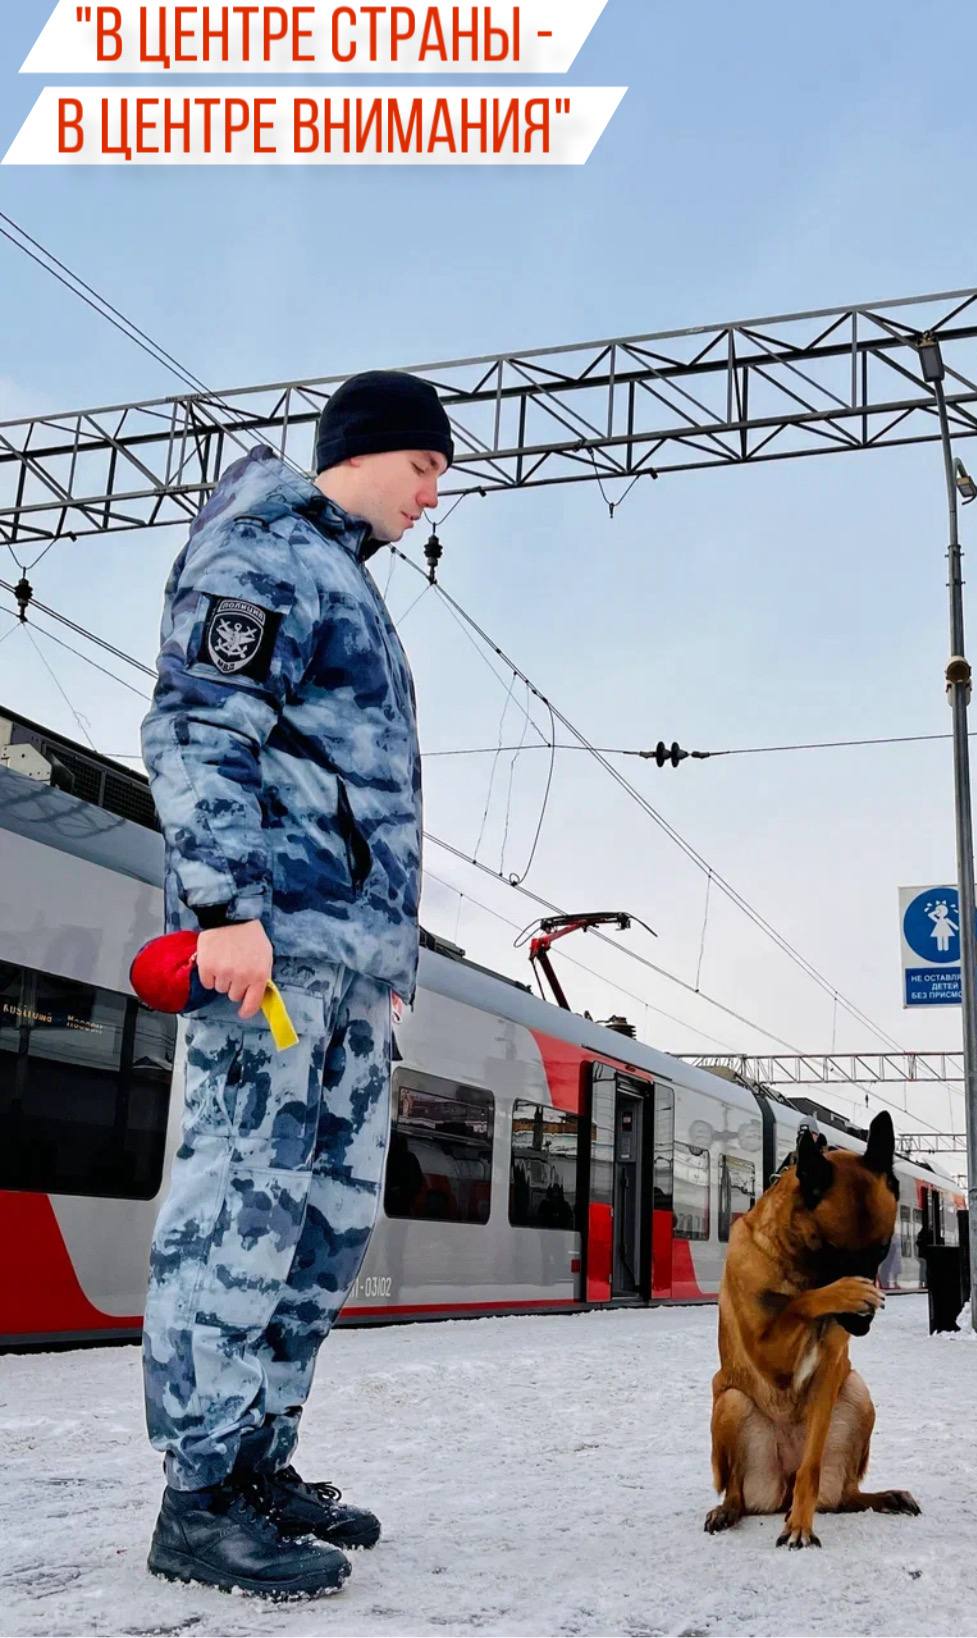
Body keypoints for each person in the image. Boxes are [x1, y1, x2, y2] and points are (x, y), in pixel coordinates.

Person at [139, 372, 452, 1600]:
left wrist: (386, 967)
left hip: (346, 966)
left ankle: (261, 1459)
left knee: (322, 1222)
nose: (435, 494)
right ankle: (198, 1496)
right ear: (364, 455)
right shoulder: (261, 548)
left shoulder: (346, 583)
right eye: (425, 467)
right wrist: (224, 907)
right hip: (270, 952)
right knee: (241, 1208)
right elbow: (202, 723)